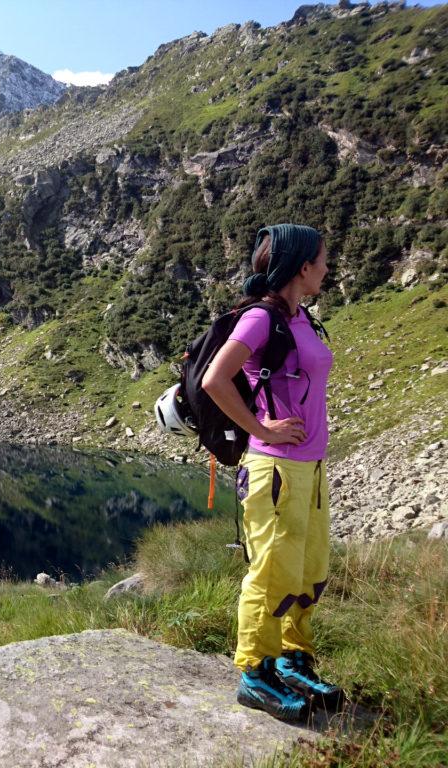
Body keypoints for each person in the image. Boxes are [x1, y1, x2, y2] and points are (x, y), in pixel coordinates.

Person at [202, 224, 344, 723]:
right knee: (270, 575)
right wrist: (261, 425)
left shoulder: (300, 317)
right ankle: (255, 675)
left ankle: (293, 659)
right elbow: (215, 379)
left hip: (310, 469)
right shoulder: (261, 318)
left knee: (308, 569)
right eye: (323, 260)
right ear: (301, 266)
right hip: (275, 469)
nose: (328, 268)